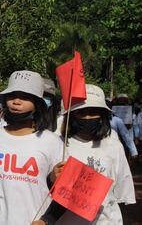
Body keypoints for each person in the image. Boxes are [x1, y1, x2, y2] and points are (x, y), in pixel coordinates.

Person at [0, 70, 64, 225]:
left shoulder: (52, 142)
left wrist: (47, 220)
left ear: (37, 104)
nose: (16, 101)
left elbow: (64, 193)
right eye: (12, 96)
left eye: (25, 97)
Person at [36, 84, 136, 225]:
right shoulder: (57, 143)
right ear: (71, 115)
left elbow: (120, 193)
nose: (88, 117)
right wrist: (52, 178)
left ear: (102, 115)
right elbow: (40, 188)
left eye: (93, 112)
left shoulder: (113, 145)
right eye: (81, 112)